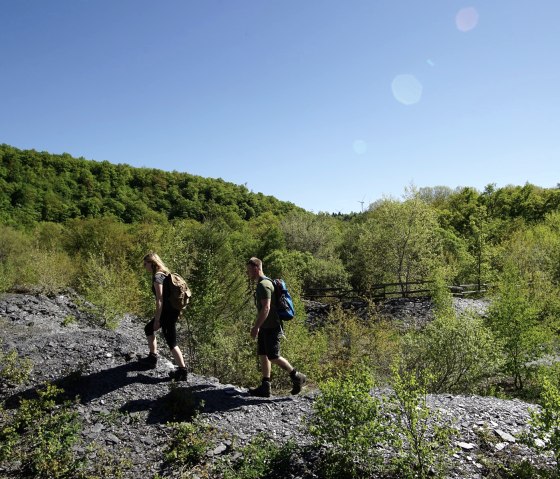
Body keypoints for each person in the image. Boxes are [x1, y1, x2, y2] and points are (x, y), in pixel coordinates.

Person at [246, 257, 306, 397]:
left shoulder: (264, 285)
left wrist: (256, 327)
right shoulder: (263, 283)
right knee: (263, 354)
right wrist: (260, 327)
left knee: (273, 356)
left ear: (256, 268)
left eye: (249, 270)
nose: (247, 273)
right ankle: (265, 386)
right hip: (265, 326)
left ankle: (297, 376)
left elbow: (266, 308)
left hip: (272, 326)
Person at [141, 252, 188, 381]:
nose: (145, 266)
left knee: (171, 342)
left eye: (146, 264)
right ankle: (152, 357)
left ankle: (182, 371)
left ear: (152, 263)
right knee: (148, 329)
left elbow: (159, 300)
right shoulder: (165, 273)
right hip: (172, 311)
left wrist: (157, 319)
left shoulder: (158, 277)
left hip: (166, 313)